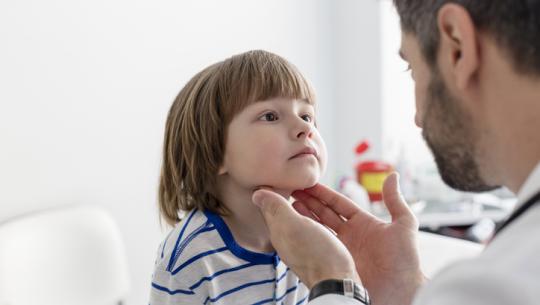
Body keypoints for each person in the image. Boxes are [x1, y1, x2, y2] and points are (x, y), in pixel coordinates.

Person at [252, 1, 540, 304]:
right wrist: (404, 286)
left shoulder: (504, 283)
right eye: (270, 116)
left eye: (412, 68)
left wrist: (334, 282)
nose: (417, 118)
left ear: (458, 46)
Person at [149, 50, 335, 304]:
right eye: (270, 116)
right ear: (214, 152)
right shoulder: (189, 260)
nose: (306, 128)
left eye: (307, 115)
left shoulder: (318, 239)